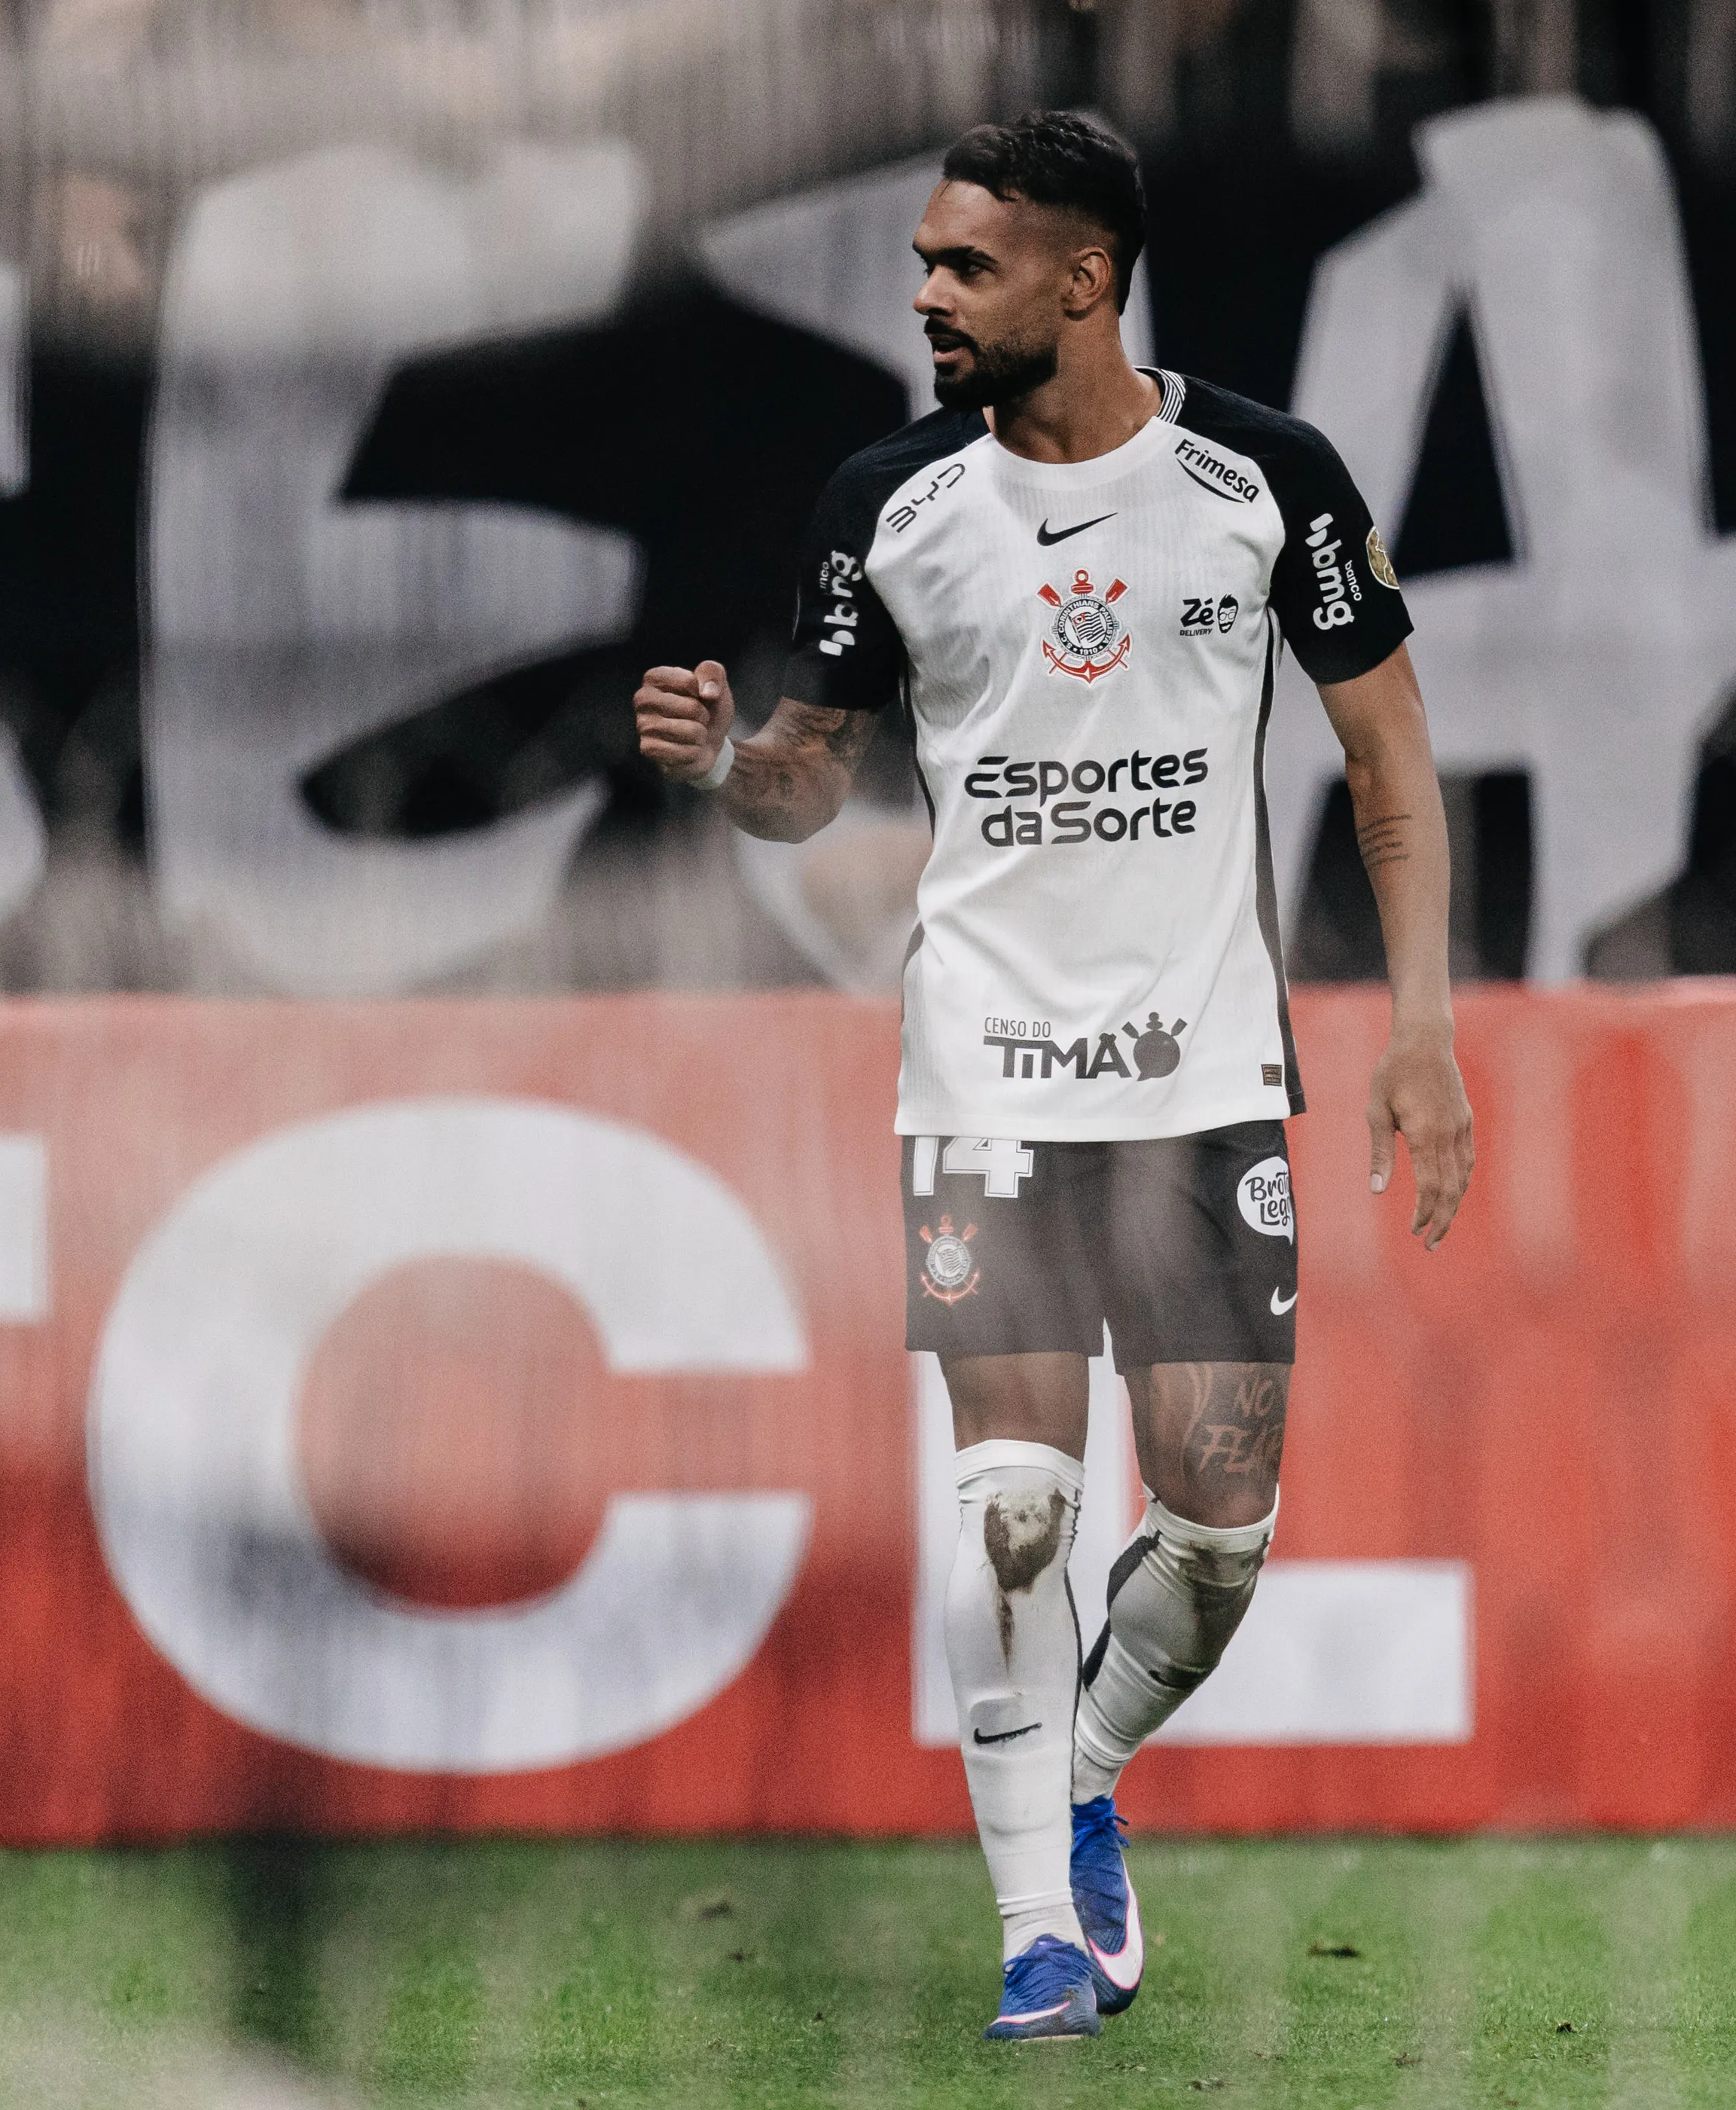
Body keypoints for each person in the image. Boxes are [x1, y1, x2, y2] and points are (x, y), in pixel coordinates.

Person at [630, 110, 1475, 2041]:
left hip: (1198, 1079)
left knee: (1221, 1530)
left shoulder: (1266, 477)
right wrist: (716, 762)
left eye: (965, 267)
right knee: (1013, 1503)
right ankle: (1032, 1926)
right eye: (924, 261)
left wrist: (1421, 1030)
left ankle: (1080, 1764)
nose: (925, 294)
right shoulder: (888, 502)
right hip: (987, 1076)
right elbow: (804, 781)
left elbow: (1389, 755)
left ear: (1085, 279)